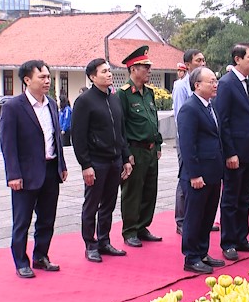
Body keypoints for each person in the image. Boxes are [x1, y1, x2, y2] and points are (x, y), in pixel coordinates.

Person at [0, 60, 68, 278]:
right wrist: (13, 174)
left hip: (50, 169)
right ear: (27, 80)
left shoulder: (50, 103)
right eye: (42, 77)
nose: (47, 81)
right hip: (26, 173)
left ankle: (41, 256)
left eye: (48, 77)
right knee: (22, 221)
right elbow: (8, 144)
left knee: (47, 218)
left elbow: (56, 137)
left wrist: (61, 164)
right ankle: (21, 261)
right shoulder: (13, 107)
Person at [71, 58, 132, 263]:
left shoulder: (114, 98)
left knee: (109, 203)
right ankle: (90, 243)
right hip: (96, 161)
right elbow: (78, 136)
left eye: (109, 70)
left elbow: (120, 131)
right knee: (92, 204)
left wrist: (125, 158)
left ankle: (104, 240)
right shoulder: (85, 101)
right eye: (104, 71)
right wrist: (85, 165)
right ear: (92, 76)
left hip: (114, 160)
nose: (109, 74)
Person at [213, 42, 249, 261]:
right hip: (235, 152)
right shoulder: (226, 83)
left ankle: (242, 237)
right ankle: (229, 241)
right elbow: (223, 121)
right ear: (237, 59)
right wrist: (230, 152)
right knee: (231, 198)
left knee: (245, 198)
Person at [177, 67, 225, 274]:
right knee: (194, 216)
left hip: (213, 170)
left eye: (216, 81)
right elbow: (188, 145)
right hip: (198, 174)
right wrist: (195, 174)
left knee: (207, 216)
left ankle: (202, 251)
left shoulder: (209, 106)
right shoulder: (190, 108)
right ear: (197, 85)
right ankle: (191, 257)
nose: (215, 85)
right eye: (211, 81)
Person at [117, 45, 164, 247]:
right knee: (133, 192)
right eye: (145, 67)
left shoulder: (149, 93)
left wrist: (159, 144)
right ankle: (130, 231)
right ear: (133, 68)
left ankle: (143, 226)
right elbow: (120, 126)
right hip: (135, 149)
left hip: (151, 149)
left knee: (149, 190)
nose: (149, 71)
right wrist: (126, 153)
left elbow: (153, 118)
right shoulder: (124, 94)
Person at [172, 49, 207, 235]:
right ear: (187, 65)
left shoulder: (204, 84)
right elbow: (180, 116)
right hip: (186, 136)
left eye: (203, 60)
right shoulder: (181, 86)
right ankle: (181, 219)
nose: (202, 63)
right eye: (198, 60)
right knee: (186, 176)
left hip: (201, 138)